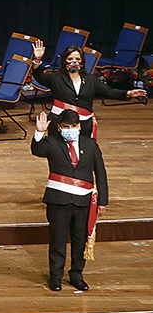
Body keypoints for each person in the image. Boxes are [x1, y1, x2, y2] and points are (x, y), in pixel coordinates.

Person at [32, 110, 108, 292]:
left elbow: (101, 173)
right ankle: (56, 277)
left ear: (79, 127)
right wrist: (39, 133)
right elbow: (37, 150)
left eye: (73, 127)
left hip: (84, 202)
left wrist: (103, 201)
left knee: (79, 240)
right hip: (59, 200)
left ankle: (76, 275)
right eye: (66, 127)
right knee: (57, 240)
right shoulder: (51, 143)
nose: (70, 130)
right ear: (59, 128)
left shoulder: (90, 145)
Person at [31, 41, 146, 139]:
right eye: (70, 59)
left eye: (77, 59)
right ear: (65, 61)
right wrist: (38, 59)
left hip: (83, 124)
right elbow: (39, 76)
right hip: (60, 123)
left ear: (82, 62)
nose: (74, 62)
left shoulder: (91, 79)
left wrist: (128, 93)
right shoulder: (56, 77)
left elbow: (108, 92)